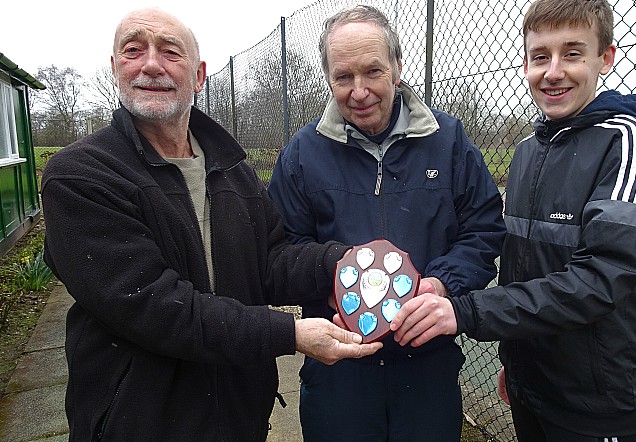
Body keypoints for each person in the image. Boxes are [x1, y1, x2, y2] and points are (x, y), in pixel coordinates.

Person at [41, 8, 382, 441]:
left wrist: (344, 262)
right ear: (114, 68)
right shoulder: (81, 176)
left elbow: (271, 263)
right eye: (133, 50)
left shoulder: (232, 170)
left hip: (239, 417)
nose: (150, 64)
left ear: (199, 75)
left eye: (170, 51)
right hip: (139, 424)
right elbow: (157, 306)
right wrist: (290, 333)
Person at [390, 0, 636, 440]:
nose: (554, 71)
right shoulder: (527, 150)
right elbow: (520, 269)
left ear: (606, 57)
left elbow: (600, 279)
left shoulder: (628, 142)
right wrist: (514, 361)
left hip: (592, 402)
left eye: (573, 54)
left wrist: (464, 311)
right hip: (528, 386)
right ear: (525, 63)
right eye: (541, 56)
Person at [267, 5, 506, 441]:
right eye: (343, 77)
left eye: (373, 71)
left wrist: (440, 286)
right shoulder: (301, 155)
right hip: (338, 368)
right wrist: (334, 278)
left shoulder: (449, 142)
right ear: (329, 78)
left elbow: (484, 230)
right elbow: (277, 254)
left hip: (427, 365)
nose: (359, 92)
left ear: (397, 67)